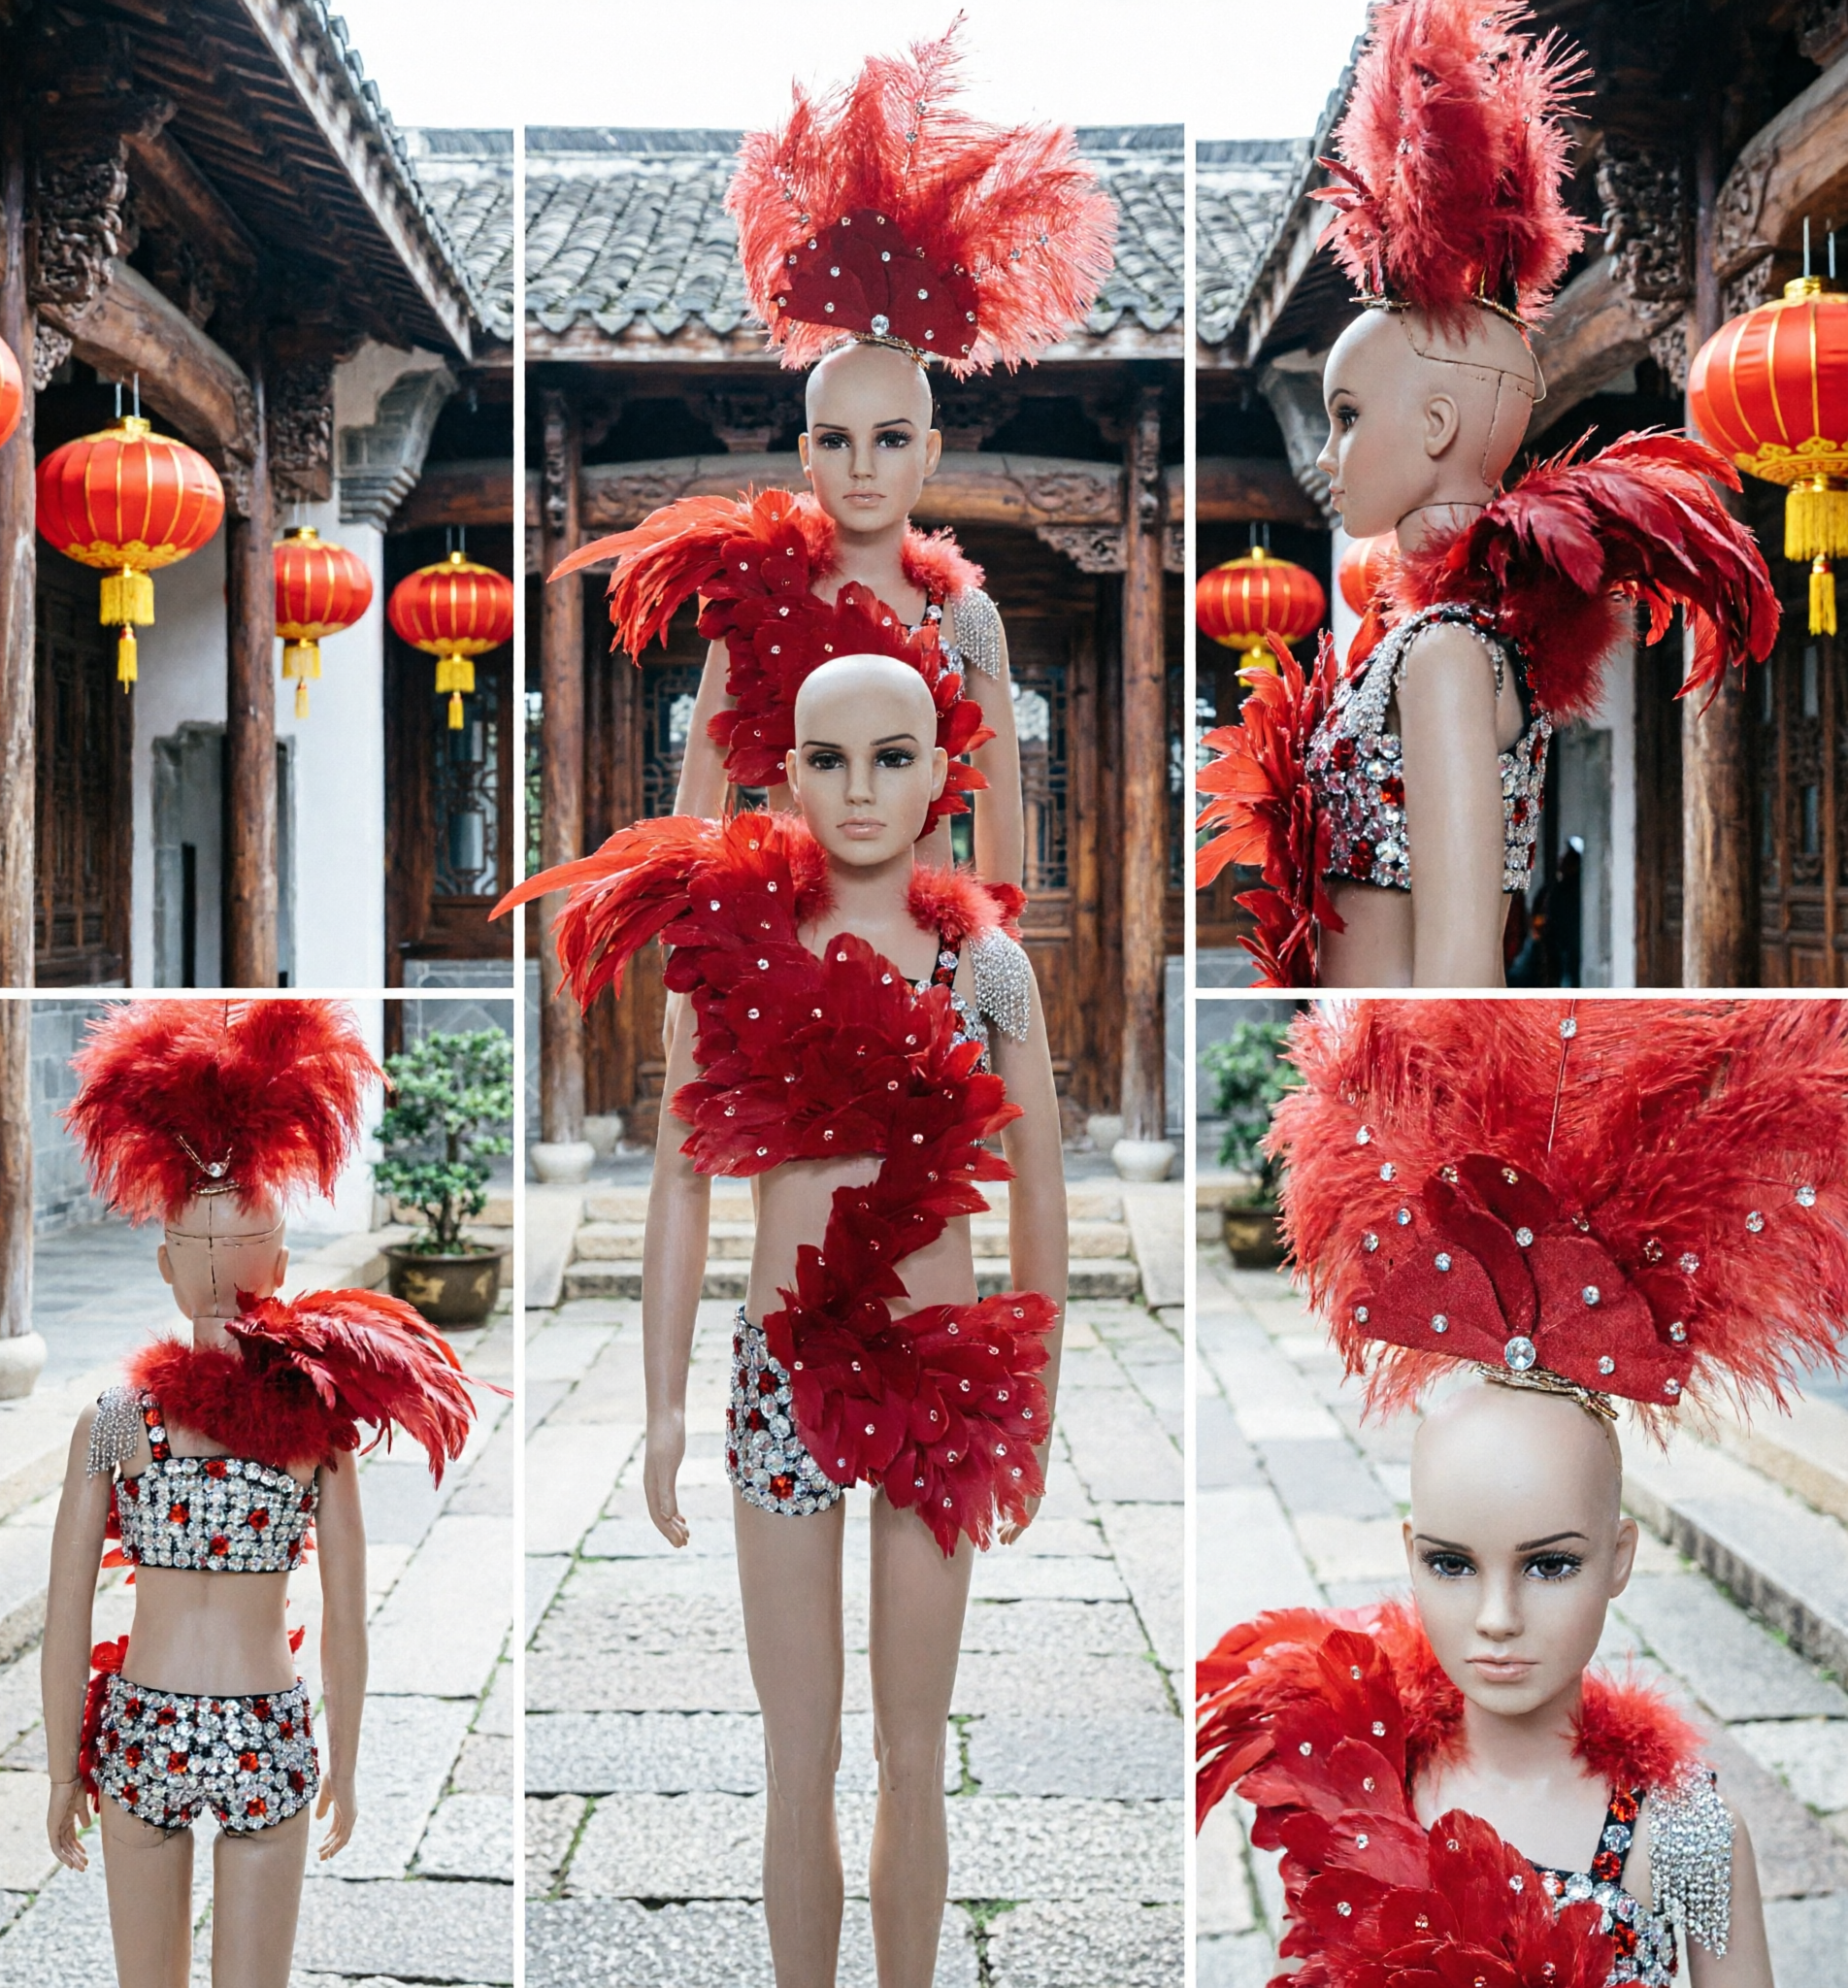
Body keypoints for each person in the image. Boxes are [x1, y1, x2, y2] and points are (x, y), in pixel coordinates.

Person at [498, 653, 1069, 1988]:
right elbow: (679, 1182)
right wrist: (660, 1406)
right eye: (826, 758)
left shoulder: (985, 967)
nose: (860, 787)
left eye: (892, 755)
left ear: (942, 769)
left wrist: (1037, 1403)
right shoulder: (728, 952)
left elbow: (1038, 1192)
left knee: (913, 1745)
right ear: (784, 773)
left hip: (940, 1371)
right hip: (782, 1376)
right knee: (796, 1745)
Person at [1199, 998, 1848, 1985]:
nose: (1496, 1618)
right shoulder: (1359, 1777)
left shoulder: (1679, 1829)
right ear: (1410, 1550)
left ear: (1617, 1555)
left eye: (1550, 1562)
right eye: (1453, 1563)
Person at [1193, 0, 1778, 989]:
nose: (1328, 453)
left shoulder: (1449, 652)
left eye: (1344, 415)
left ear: (1433, 427)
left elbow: (1463, 959)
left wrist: (1401, 1135)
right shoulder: (1434, 642)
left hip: (1398, 1099)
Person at [547, 21, 1118, 892]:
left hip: (923, 965)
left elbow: (998, 811)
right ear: (807, 455)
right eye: (840, 443)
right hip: (778, 953)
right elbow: (703, 794)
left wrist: (994, 970)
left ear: (927, 454)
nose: (864, 467)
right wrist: (691, 962)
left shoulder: (967, 621)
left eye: (890, 441)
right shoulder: (753, 601)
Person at [40, 1000, 495, 1988]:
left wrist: (59, 1769)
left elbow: (63, 1612)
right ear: (279, 1267)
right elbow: (346, 1614)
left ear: (165, 1268)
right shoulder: (315, 1429)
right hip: (261, 1725)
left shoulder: (116, 1420)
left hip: (145, 1724)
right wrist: (348, 1756)